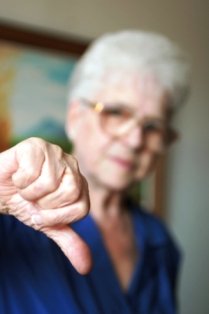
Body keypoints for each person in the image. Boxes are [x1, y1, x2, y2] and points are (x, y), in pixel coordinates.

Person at [0, 30, 190, 314]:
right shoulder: (11, 223)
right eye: (116, 112)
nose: (135, 139)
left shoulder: (160, 241)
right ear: (74, 117)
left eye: (152, 126)